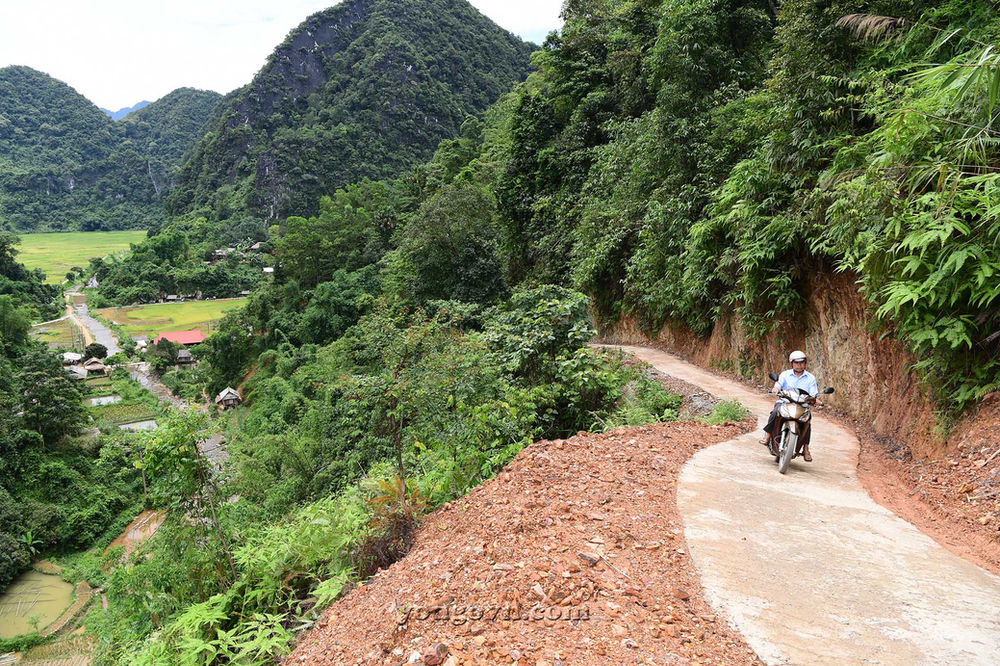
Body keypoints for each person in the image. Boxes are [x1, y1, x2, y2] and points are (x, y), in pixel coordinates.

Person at [760, 350, 819, 462]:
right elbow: (778, 385)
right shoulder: (785, 374)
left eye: (802, 362)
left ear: (805, 363)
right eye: (796, 363)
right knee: (775, 412)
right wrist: (776, 389)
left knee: (807, 421)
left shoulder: (810, 378)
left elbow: (813, 393)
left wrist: (814, 399)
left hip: (802, 405)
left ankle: (806, 449)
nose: (799, 365)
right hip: (785, 402)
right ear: (792, 363)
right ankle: (767, 435)